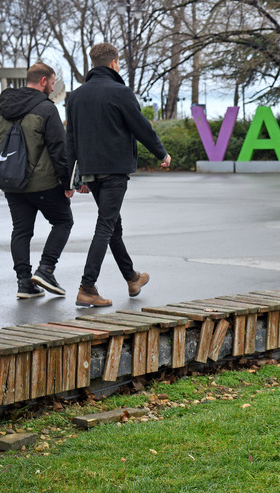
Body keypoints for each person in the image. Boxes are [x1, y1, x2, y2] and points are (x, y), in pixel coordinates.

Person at [65, 43, 171, 307]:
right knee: (106, 225)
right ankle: (87, 287)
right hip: (114, 171)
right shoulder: (120, 92)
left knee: (113, 226)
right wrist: (162, 154)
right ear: (113, 64)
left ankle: (132, 277)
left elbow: (71, 140)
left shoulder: (76, 96)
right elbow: (141, 127)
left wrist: (72, 177)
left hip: (91, 171)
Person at [0, 62, 74, 299]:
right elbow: (59, 149)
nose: (53, 85)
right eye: (52, 81)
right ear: (43, 81)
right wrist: (68, 182)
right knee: (63, 221)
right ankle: (46, 269)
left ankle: (24, 283)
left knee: (21, 230)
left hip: (11, 181)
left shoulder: (4, 108)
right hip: (43, 184)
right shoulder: (47, 109)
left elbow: (1, 144)